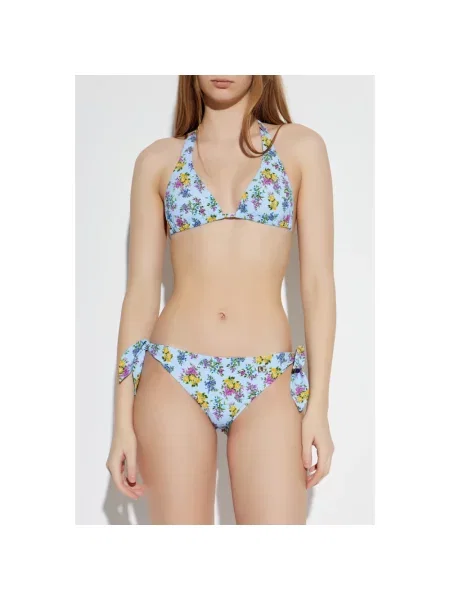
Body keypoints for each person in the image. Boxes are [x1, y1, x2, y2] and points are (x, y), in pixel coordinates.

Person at [106, 75, 335, 524]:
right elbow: (140, 294)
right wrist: (121, 423)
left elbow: (318, 285)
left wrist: (319, 410)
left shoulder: (300, 148)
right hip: (174, 373)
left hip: (268, 377)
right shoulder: (157, 160)